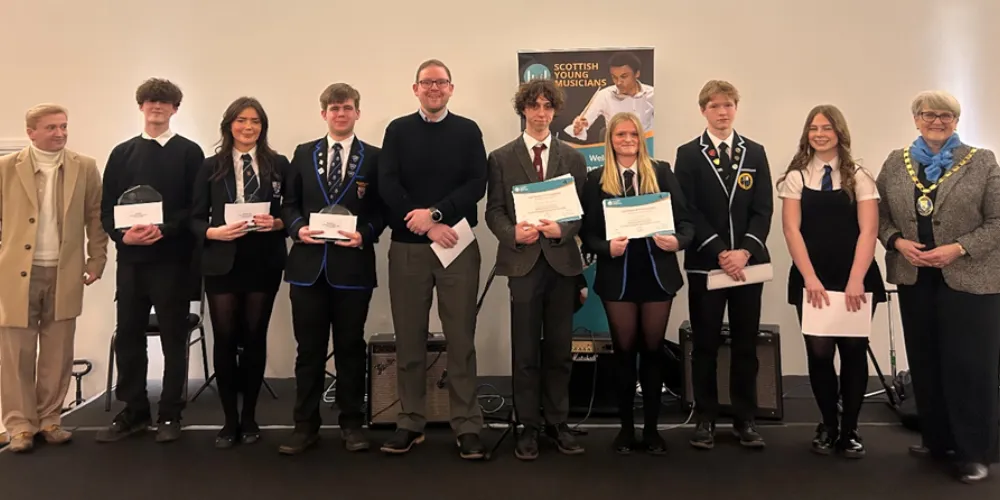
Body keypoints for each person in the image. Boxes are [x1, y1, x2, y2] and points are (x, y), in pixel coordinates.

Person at [876, 90, 1000, 484]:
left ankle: (974, 452)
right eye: (929, 114)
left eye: (946, 115)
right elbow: (877, 214)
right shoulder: (897, 163)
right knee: (926, 361)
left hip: (970, 278)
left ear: (956, 121)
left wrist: (958, 248)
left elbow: (998, 221)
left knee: (969, 367)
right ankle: (937, 439)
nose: (937, 121)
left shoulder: (981, 161)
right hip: (915, 276)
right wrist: (896, 240)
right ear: (916, 119)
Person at [378, 59, 488, 459]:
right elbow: (387, 182)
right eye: (427, 83)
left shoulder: (468, 131)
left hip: (456, 243)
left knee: (461, 339)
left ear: (451, 88)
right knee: (409, 339)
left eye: (441, 82)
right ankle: (410, 422)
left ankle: (467, 425)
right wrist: (424, 222)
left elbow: (477, 183)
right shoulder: (397, 130)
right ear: (415, 88)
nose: (434, 88)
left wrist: (438, 215)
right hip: (408, 247)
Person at [96, 78, 204, 443]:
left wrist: (167, 230)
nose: (156, 107)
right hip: (131, 261)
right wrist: (120, 235)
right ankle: (135, 411)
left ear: (175, 109)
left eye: (165, 102)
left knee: (174, 337)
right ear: (140, 106)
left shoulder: (190, 153)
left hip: (172, 261)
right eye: (150, 101)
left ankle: (171, 414)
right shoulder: (121, 153)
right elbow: (108, 207)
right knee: (128, 336)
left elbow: (195, 208)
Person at [484, 79, 588, 460]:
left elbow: (580, 212)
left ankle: (557, 422)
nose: (541, 113)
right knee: (525, 350)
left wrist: (566, 229)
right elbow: (493, 211)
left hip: (562, 264)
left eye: (547, 107)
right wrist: (513, 233)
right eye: (534, 106)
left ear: (555, 111)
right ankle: (527, 425)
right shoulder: (501, 157)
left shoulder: (574, 158)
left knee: (560, 350)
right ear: (523, 110)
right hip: (523, 263)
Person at [580, 112, 694, 455]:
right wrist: (605, 247)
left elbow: (686, 221)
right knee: (624, 354)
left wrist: (677, 242)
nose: (627, 139)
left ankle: (653, 430)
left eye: (633, 134)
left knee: (653, 352)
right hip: (619, 277)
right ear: (610, 140)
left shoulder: (661, 172)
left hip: (657, 275)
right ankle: (626, 430)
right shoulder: (596, 178)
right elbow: (586, 233)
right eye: (620, 134)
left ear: (641, 139)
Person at [279, 83, 383, 455]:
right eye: (334, 108)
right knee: (308, 350)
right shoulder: (304, 154)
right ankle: (304, 425)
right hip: (307, 268)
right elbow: (288, 204)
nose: (341, 114)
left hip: (352, 268)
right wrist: (296, 229)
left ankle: (352, 424)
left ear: (358, 113)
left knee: (350, 348)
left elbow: (382, 210)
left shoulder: (374, 157)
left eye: (348, 108)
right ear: (323, 113)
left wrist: (365, 234)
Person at [777, 105, 886, 458]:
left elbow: (869, 230)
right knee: (819, 353)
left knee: (853, 352)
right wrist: (809, 278)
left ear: (840, 132)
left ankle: (851, 429)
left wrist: (857, 279)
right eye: (813, 127)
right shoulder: (797, 176)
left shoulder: (860, 176)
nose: (819, 133)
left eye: (826, 127)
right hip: (813, 279)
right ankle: (828, 424)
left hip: (855, 276)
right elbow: (791, 230)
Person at [0, 104, 108, 453]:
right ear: (31, 132)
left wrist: (97, 259)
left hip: (65, 272)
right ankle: (18, 426)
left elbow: (96, 217)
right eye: (51, 127)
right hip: (16, 274)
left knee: (58, 351)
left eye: (63, 126)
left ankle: (50, 420)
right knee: (16, 352)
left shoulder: (85, 167)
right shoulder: (5, 168)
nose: (60, 133)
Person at [674, 80, 772, 450]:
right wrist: (719, 251)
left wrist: (744, 250)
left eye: (728, 105)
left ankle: (745, 418)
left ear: (736, 108)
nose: (722, 112)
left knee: (746, 344)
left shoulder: (755, 152)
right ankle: (706, 418)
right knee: (705, 345)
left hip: (748, 266)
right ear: (703, 110)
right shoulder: (688, 154)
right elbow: (687, 210)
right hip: (706, 265)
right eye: (714, 106)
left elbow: (763, 209)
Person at [190, 97, 288, 448]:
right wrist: (211, 232)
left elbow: (289, 212)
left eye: (256, 121)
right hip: (222, 261)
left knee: (254, 338)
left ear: (263, 126)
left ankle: (250, 419)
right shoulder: (209, 166)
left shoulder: (278, 164)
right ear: (229, 124)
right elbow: (194, 217)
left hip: (263, 259)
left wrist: (277, 222)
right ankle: (229, 420)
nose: (249, 127)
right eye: (242, 120)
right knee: (226, 339)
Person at [564, 52, 654, 143]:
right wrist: (578, 128)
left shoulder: (653, 94)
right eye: (614, 77)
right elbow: (583, 124)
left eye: (624, 77)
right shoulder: (604, 95)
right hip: (616, 148)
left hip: (646, 147)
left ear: (637, 74)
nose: (618, 82)